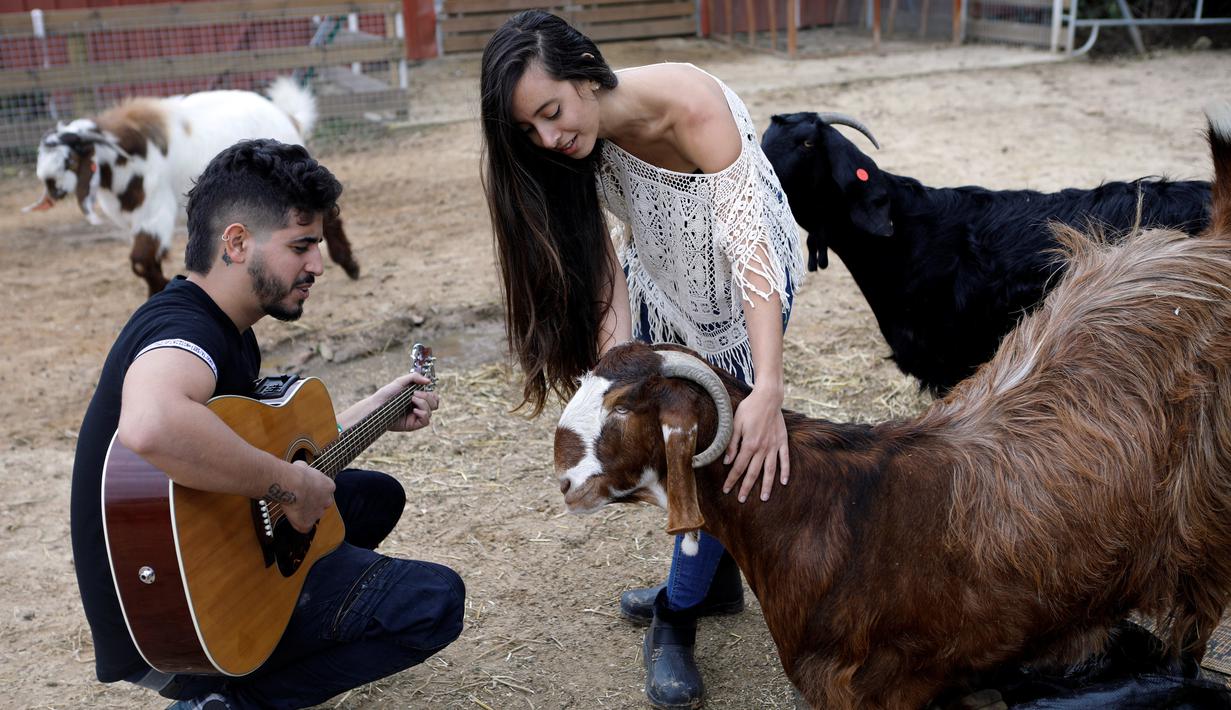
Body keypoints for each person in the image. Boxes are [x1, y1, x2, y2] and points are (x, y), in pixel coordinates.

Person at [69, 139, 465, 710]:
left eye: (319, 245)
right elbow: (152, 424)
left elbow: (270, 445)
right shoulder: (185, 329)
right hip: (177, 618)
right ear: (236, 242)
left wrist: (377, 410)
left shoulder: (227, 326)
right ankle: (232, 701)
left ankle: (269, 610)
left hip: (200, 569)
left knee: (375, 497)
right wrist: (289, 486)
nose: (317, 265)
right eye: (301, 245)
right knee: (434, 601)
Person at [480, 11, 802, 708]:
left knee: (711, 451)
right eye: (527, 129)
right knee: (666, 434)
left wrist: (767, 387)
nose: (546, 137)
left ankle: (673, 616)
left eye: (550, 112)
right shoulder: (570, 147)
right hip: (661, 274)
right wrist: (613, 373)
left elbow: (750, 253)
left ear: (584, 73)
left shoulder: (692, 108)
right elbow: (603, 269)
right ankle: (709, 588)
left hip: (745, 285)